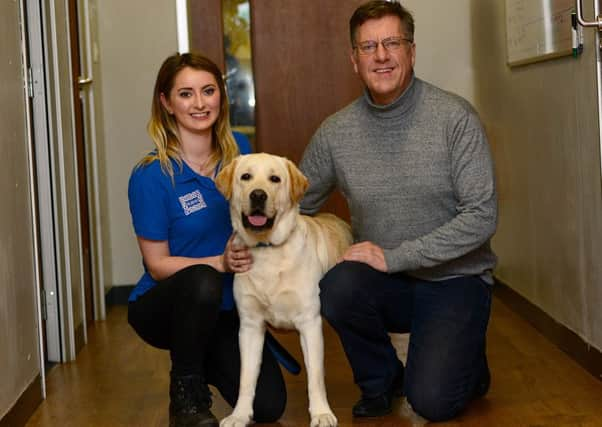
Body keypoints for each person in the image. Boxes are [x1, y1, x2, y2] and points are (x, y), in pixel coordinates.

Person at [299, 1, 497, 423]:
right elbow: (292, 202)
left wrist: (395, 256)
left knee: (431, 402)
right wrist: (246, 241)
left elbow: (481, 216)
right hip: (384, 282)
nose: (381, 56)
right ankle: (380, 380)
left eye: (392, 43)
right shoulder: (336, 132)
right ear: (354, 60)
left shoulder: (454, 118)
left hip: (454, 281)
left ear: (411, 50)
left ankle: (469, 365)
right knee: (337, 285)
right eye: (368, 47)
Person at [127, 52, 287, 427]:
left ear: (221, 97)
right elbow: (157, 264)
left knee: (267, 406)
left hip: (228, 307)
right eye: (185, 94)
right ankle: (186, 395)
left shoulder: (243, 151)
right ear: (166, 103)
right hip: (165, 305)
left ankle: (201, 356)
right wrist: (219, 262)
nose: (199, 103)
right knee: (203, 280)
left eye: (208, 91)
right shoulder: (151, 176)